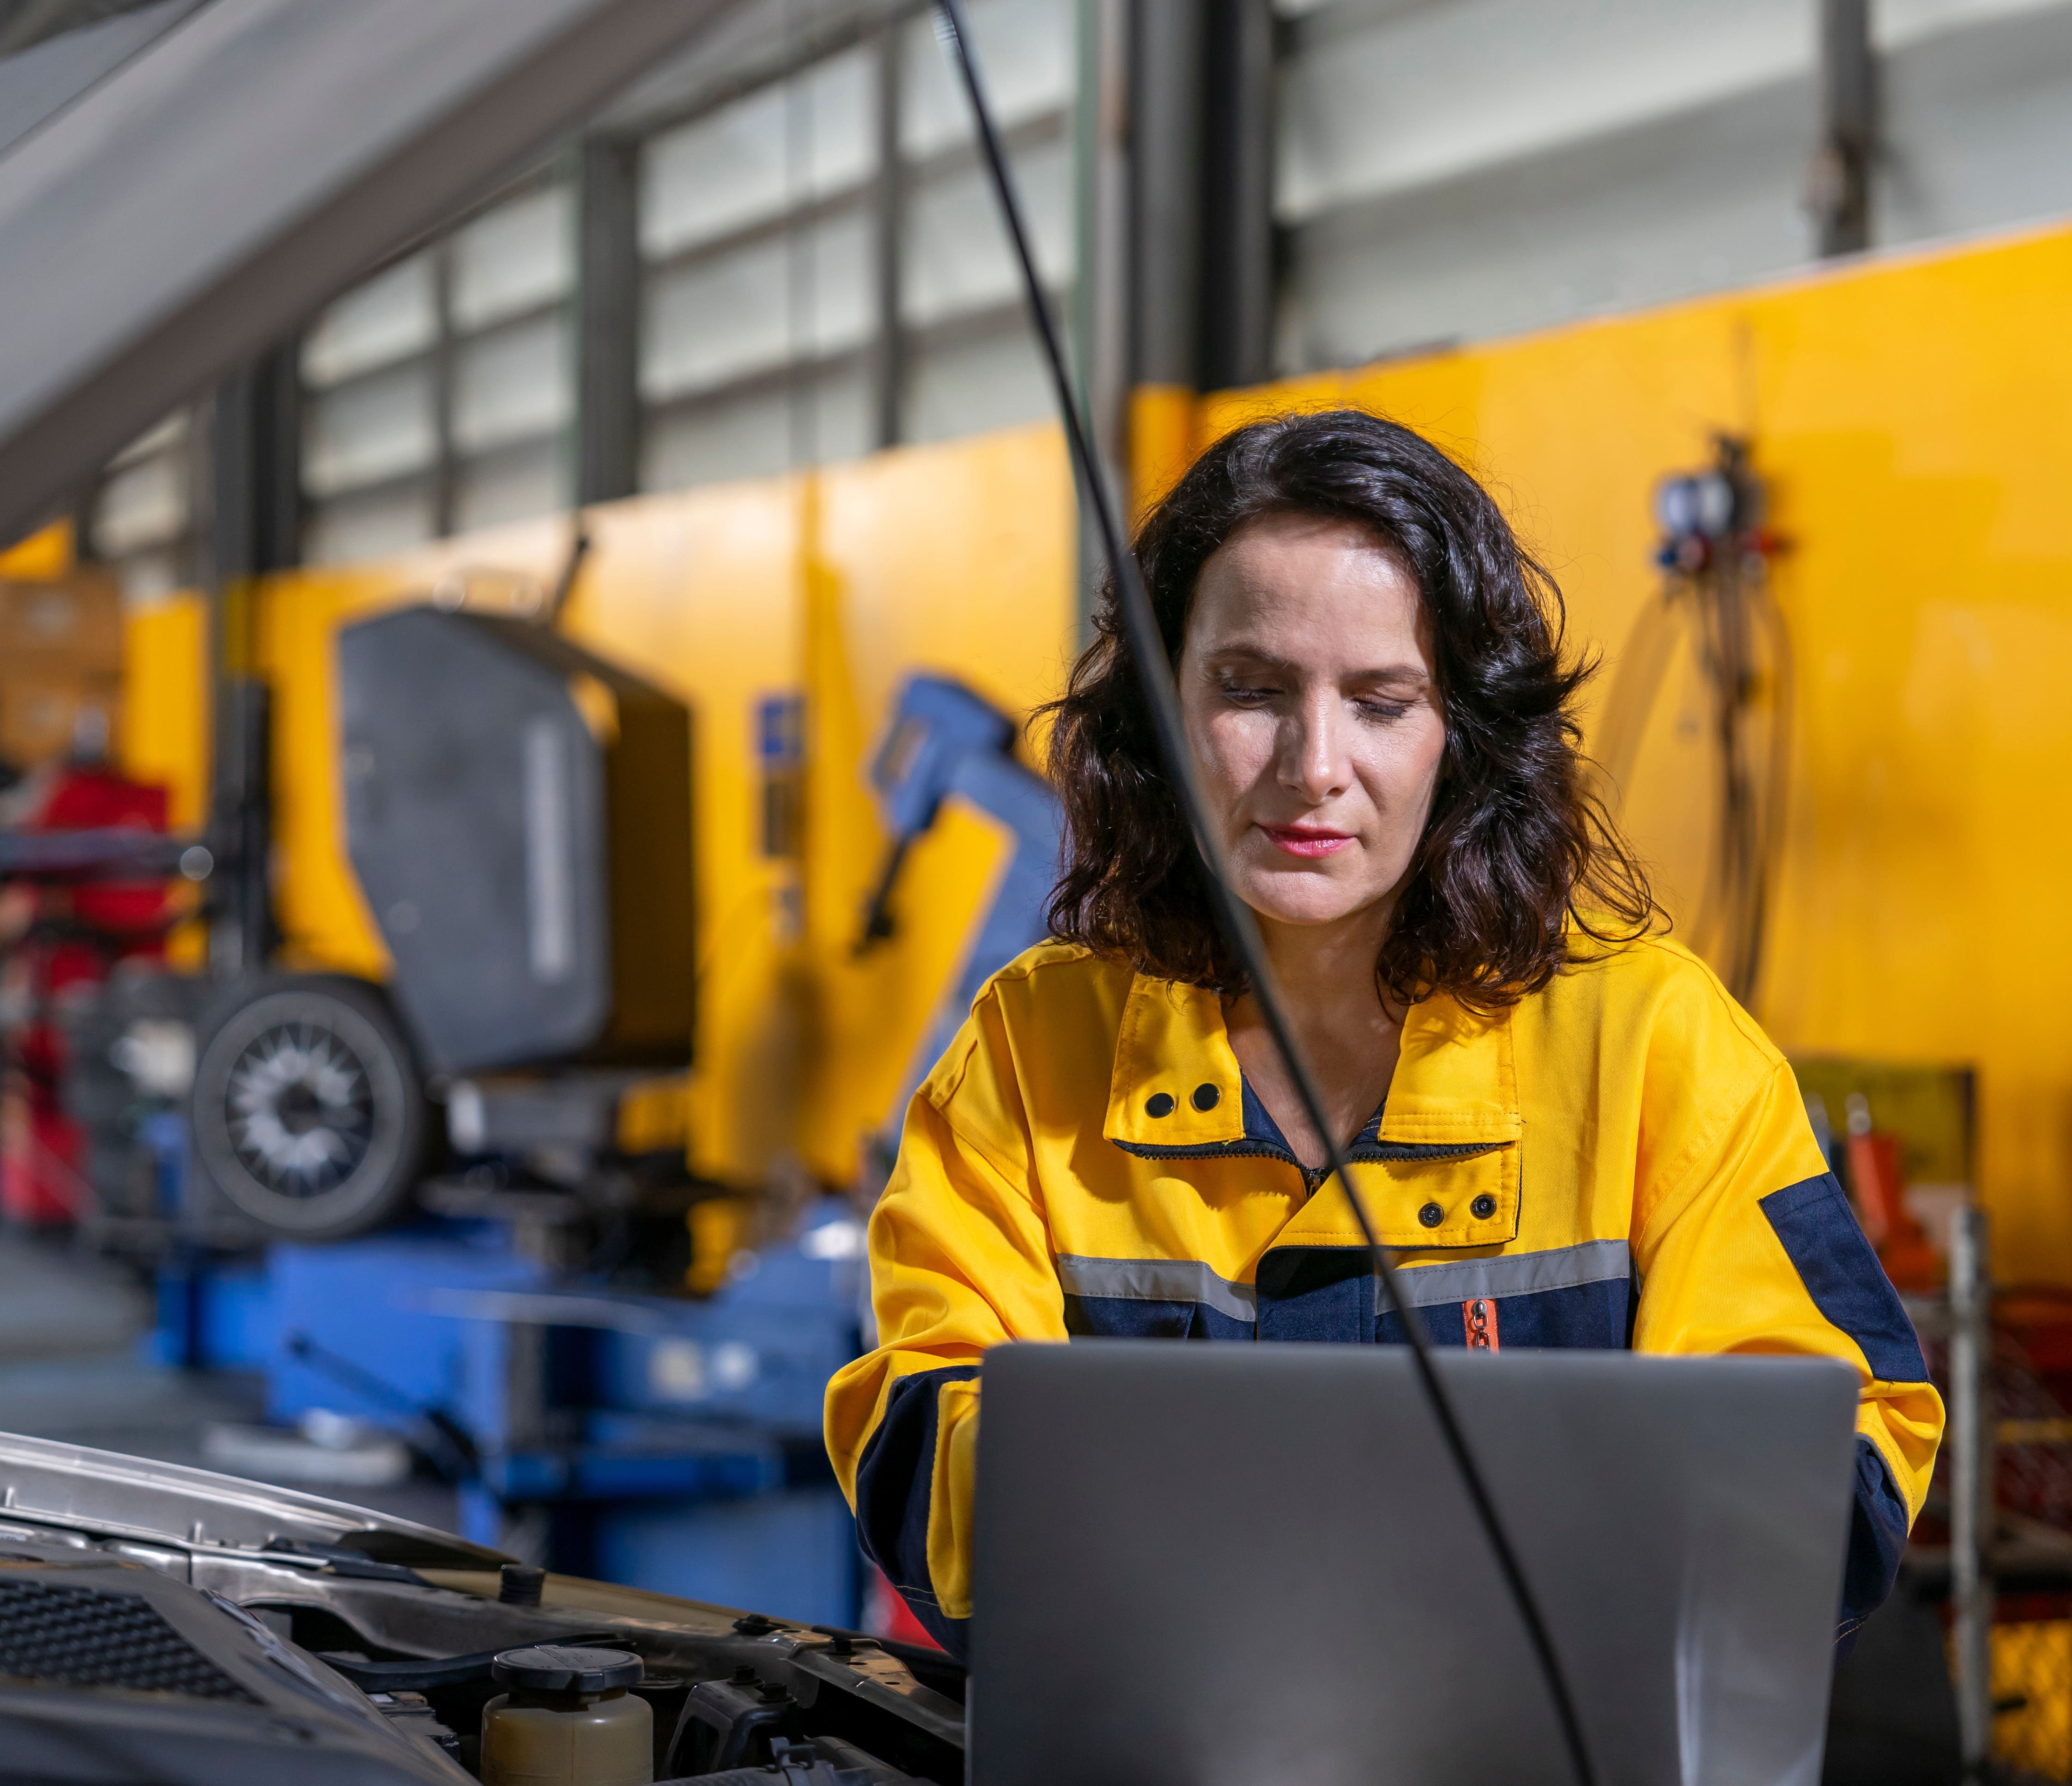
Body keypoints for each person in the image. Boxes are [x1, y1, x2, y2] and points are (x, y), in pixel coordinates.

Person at [824, 409, 1944, 1659]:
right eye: (1251, 691)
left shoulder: (1655, 1044)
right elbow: (918, 1442)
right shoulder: (1031, 1050)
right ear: (1160, 713)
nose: (1314, 766)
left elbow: (1838, 1451)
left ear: (1460, 737)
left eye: (1381, 701)